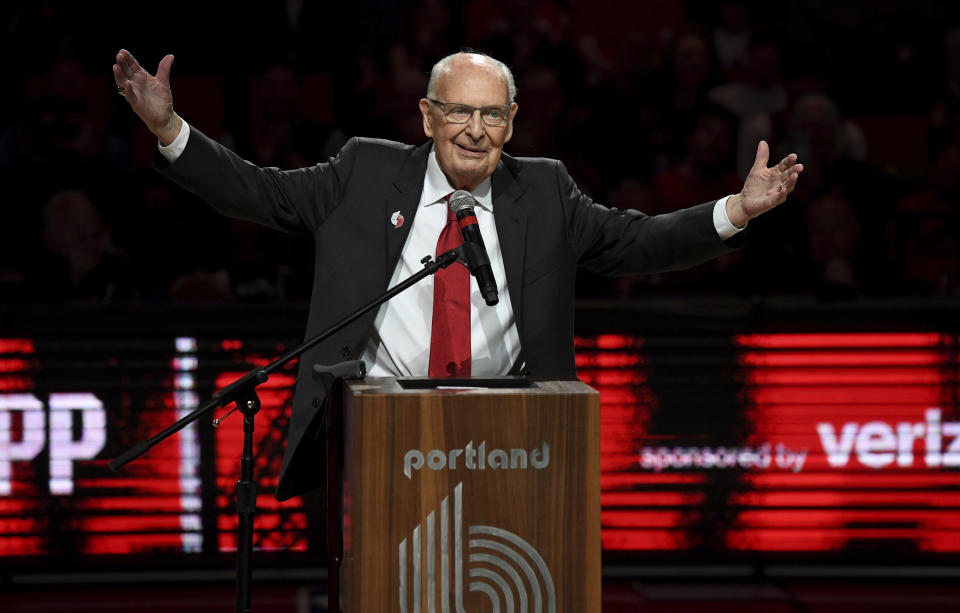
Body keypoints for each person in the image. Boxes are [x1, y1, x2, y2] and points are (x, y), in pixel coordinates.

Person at [113, 48, 802, 500]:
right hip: (374, 443)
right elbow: (258, 192)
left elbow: (636, 242)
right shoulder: (363, 172)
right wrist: (172, 128)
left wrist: (735, 210)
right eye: (460, 111)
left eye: (492, 113)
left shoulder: (547, 191)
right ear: (428, 116)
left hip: (510, 447)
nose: (475, 129)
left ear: (512, 121)